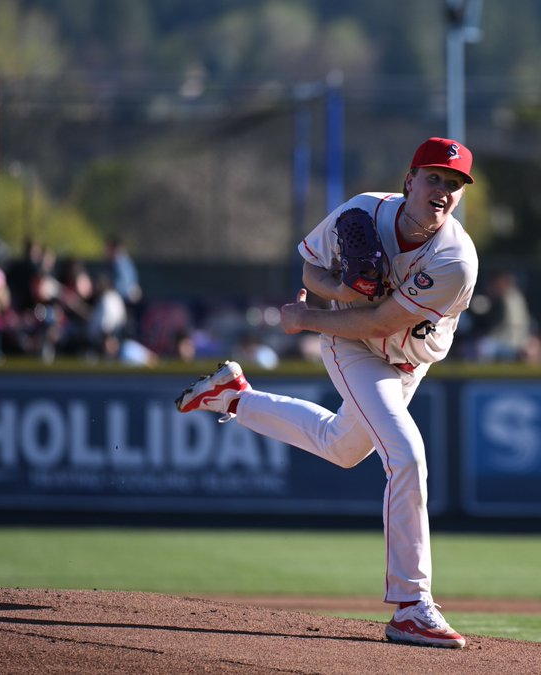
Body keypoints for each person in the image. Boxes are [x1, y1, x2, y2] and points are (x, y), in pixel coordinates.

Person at [174, 137, 476, 649]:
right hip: (350, 346)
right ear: (409, 180)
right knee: (407, 455)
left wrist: (306, 317)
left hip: (402, 360)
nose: (443, 191)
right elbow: (311, 268)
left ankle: (232, 397)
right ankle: (411, 605)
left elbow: (383, 317)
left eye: (454, 184)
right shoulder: (363, 210)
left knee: (340, 446)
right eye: (434, 178)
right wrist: (339, 291)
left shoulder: (455, 260)